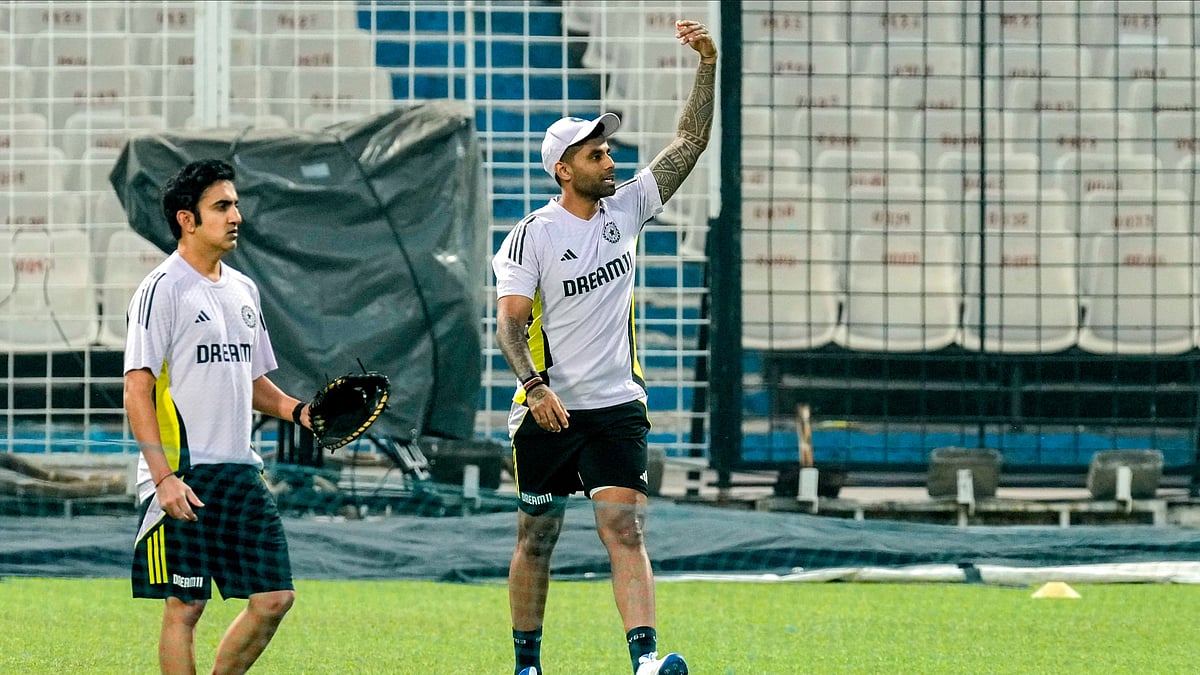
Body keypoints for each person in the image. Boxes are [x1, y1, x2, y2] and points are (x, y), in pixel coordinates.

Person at [492, 18, 717, 675]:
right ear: (564, 170)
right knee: (537, 537)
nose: (610, 158)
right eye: (595, 152)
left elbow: (690, 140)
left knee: (625, 528)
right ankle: (527, 665)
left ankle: (645, 661)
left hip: (617, 405)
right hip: (547, 409)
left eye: (608, 148)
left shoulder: (627, 207)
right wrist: (534, 388)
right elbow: (509, 324)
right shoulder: (529, 236)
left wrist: (706, 61)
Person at [125, 159, 314, 675]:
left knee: (275, 598)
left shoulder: (244, 290)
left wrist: (300, 411)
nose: (236, 215)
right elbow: (136, 388)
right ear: (187, 220)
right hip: (184, 474)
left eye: (235, 204)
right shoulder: (161, 289)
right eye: (222, 206)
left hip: (239, 471)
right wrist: (162, 477)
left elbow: (253, 382)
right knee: (185, 607)